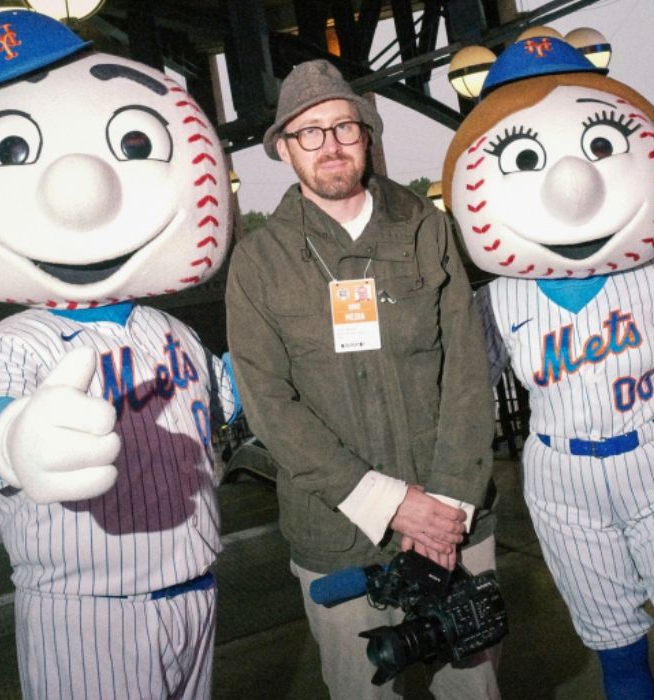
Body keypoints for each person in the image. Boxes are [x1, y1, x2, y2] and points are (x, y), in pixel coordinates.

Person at [441, 38, 654, 699]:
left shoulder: (651, 275)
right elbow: (456, 386)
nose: (572, 186)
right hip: (560, 480)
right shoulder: (499, 298)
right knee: (619, 660)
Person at [0, 11, 238, 698]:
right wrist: (19, 438)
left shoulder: (172, 331)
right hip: (88, 615)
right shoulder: (14, 343)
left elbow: (226, 396)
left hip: (196, 591)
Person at [225, 59, 500, 699]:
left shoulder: (426, 230)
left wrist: (447, 508)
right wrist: (393, 504)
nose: (331, 146)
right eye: (309, 132)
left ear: (367, 134)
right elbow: (269, 406)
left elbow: (466, 370)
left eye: (344, 127)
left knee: (474, 690)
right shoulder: (259, 262)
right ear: (285, 150)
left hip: (453, 524)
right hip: (338, 538)